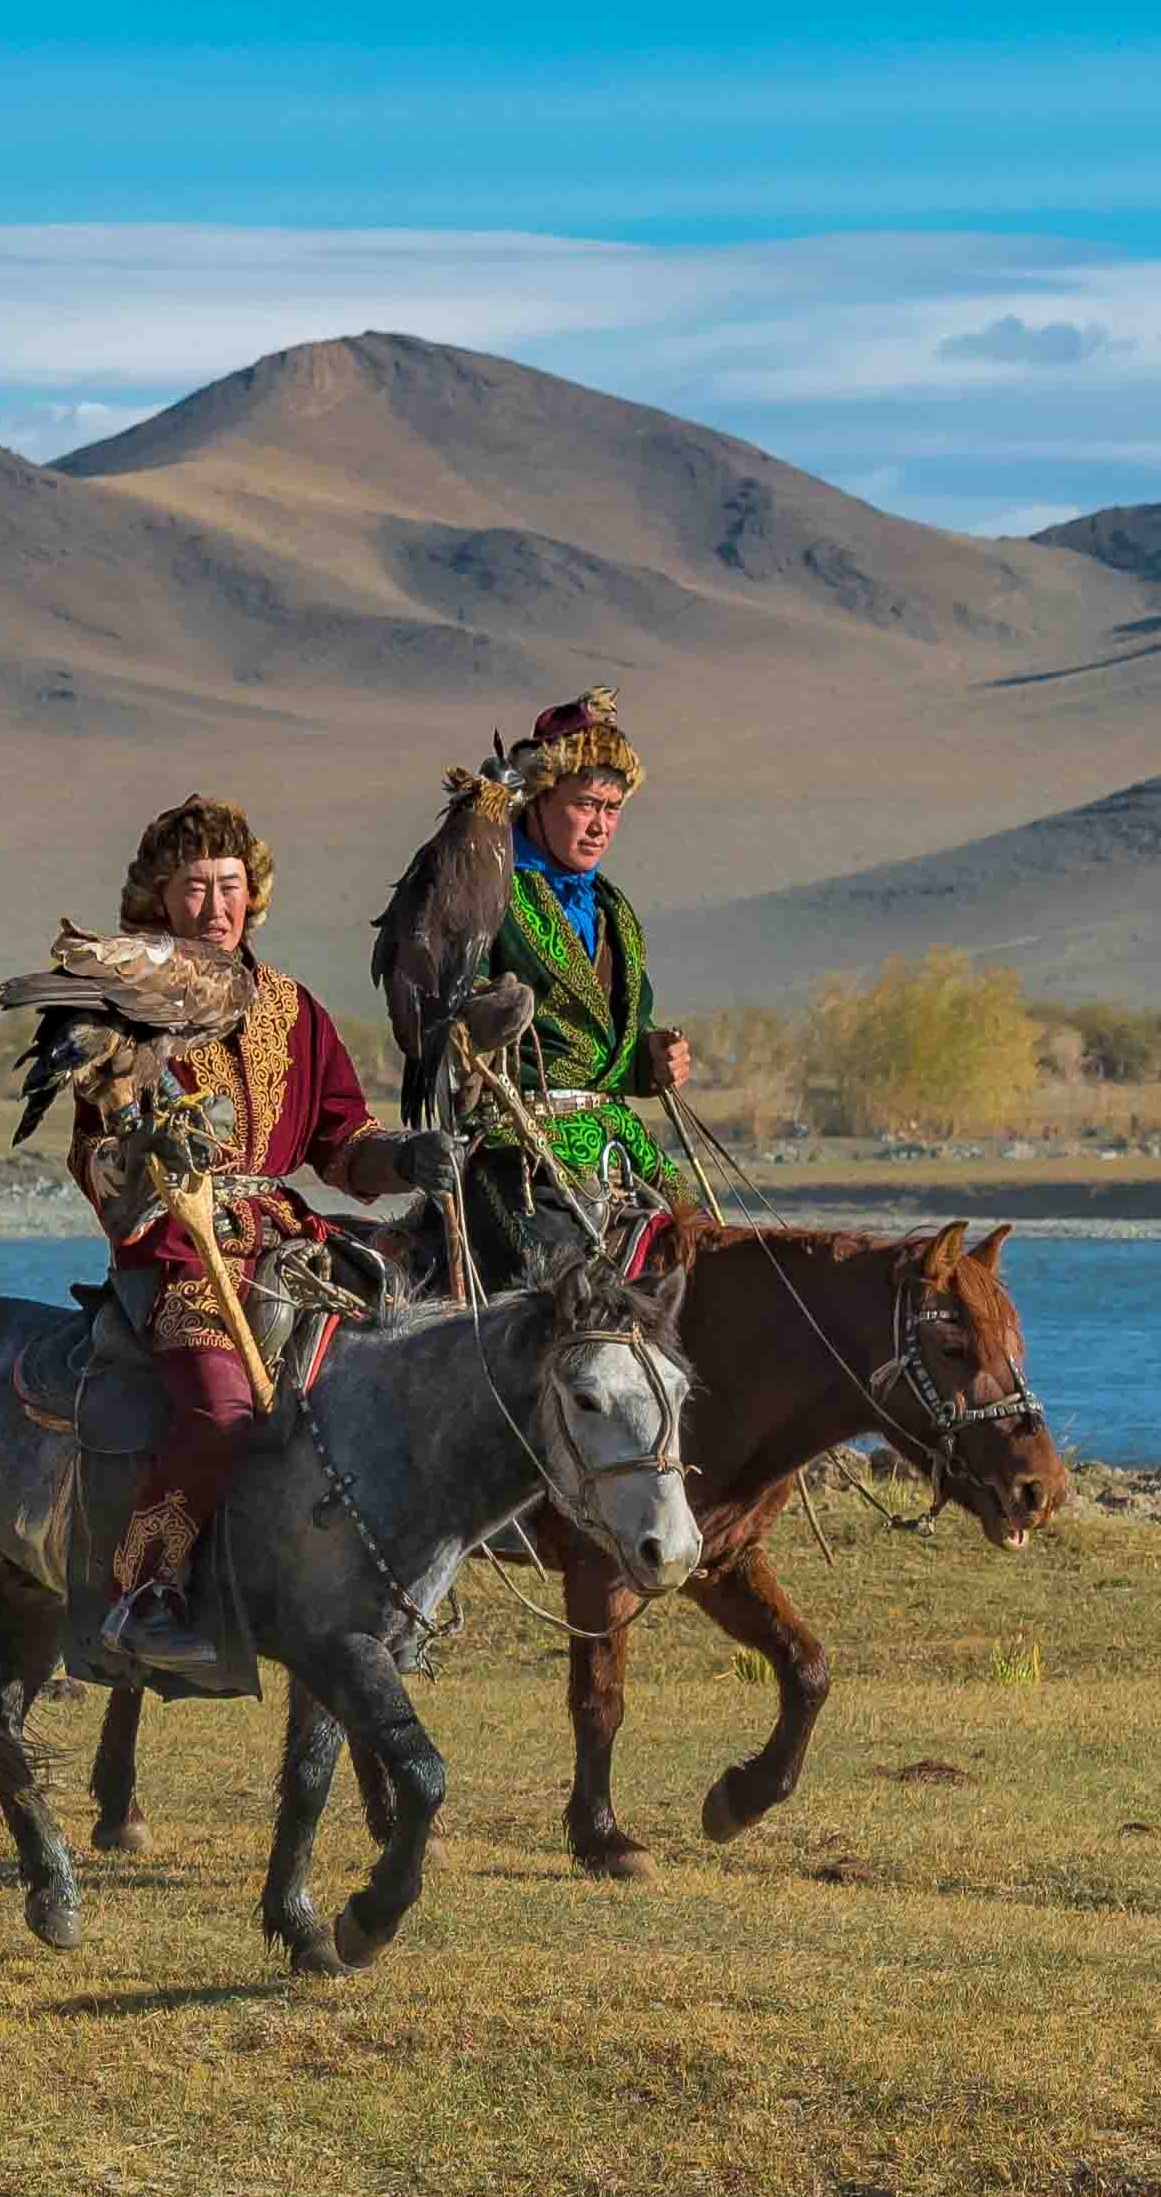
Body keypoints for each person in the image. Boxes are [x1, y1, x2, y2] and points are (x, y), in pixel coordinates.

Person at [63, 797, 453, 1677]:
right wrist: (149, 1156)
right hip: (178, 1257)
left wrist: (405, 1158)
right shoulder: (124, 1010)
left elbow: (341, 1143)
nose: (215, 907)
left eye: (229, 886)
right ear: (158, 900)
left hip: (286, 1242)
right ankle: (148, 1591)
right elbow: (97, 1161)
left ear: (254, 893)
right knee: (225, 1406)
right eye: (194, 888)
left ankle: (374, 1584)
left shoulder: (293, 1007)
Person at [458, 688, 697, 1273]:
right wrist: (479, 1024)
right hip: (516, 1149)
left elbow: (616, 1053)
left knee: (709, 1264)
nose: (599, 827)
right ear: (538, 798)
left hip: (618, 1144)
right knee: (576, 1294)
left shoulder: (614, 910)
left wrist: (655, 1061)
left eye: (612, 810)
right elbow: (446, 1028)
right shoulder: (483, 890)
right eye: (585, 804)